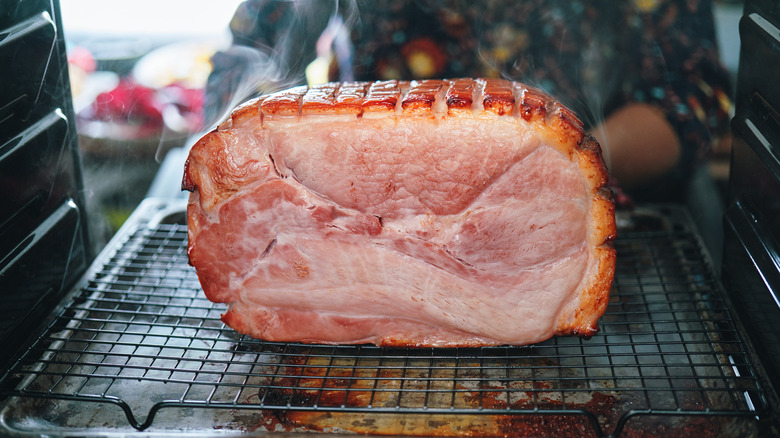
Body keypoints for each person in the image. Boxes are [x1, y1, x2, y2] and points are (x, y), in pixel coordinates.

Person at [206, 0, 732, 202]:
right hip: (354, 200)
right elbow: (249, 56)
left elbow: (692, 92)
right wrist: (281, 171)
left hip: (581, 206)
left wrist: (555, 173)